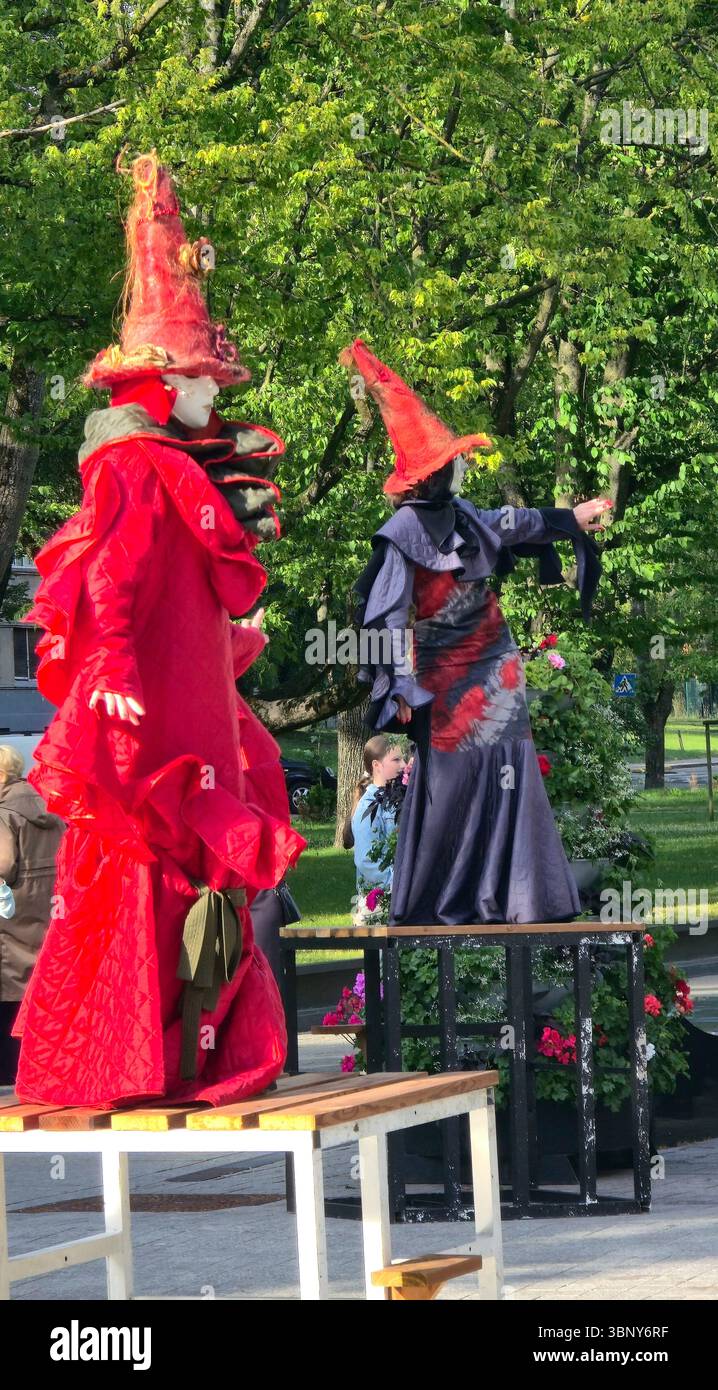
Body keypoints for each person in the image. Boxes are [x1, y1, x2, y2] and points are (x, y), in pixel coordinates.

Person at [12, 152, 306, 1109]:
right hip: (156, 697)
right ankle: (136, 1052)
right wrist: (105, 664)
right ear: (159, 382)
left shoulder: (170, 462)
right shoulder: (138, 470)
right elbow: (114, 575)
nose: (214, 396)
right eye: (201, 380)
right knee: (149, 838)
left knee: (183, 852)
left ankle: (184, 1049)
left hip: (188, 692)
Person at [341, 338, 611, 926]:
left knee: (511, 763)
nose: (464, 464)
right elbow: (384, 617)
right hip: (442, 673)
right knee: (451, 780)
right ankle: (441, 899)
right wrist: (401, 688)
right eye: (456, 458)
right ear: (437, 471)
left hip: (496, 662)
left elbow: (513, 523)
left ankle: (517, 896)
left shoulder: (464, 516)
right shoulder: (402, 533)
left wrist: (573, 518)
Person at [0, 745, 63, 1086]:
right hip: (47, 908)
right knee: (39, 987)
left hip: (11, 919)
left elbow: (3, 865)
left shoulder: (3, 812)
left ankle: (10, 1074)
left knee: (8, 994)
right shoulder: (45, 804)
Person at [350, 735, 406, 893]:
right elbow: (366, 861)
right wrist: (399, 885)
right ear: (377, 765)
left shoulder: (398, 800)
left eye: (403, 759)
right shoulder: (368, 807)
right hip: (381, 904)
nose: (403, 764)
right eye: (396, 760)